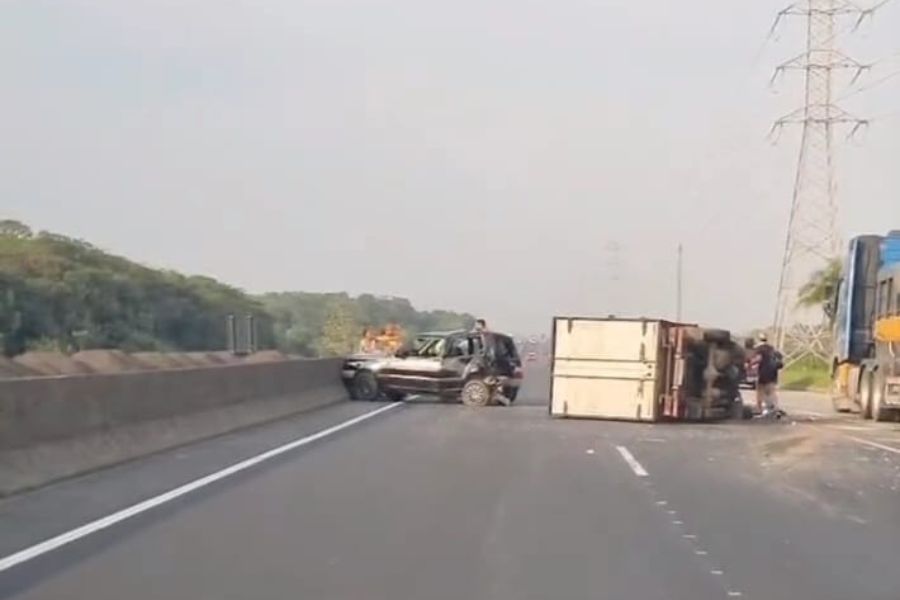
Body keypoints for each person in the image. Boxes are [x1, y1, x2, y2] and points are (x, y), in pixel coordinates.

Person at [750, 333, 784, 416]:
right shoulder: (771, 348)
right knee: (771, 391)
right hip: (773, 372)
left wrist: (750, 364)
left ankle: (759, 408)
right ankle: (775, 408)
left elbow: (758, 359)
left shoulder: (759, 349)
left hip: (763, 372)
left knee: (760, 391)